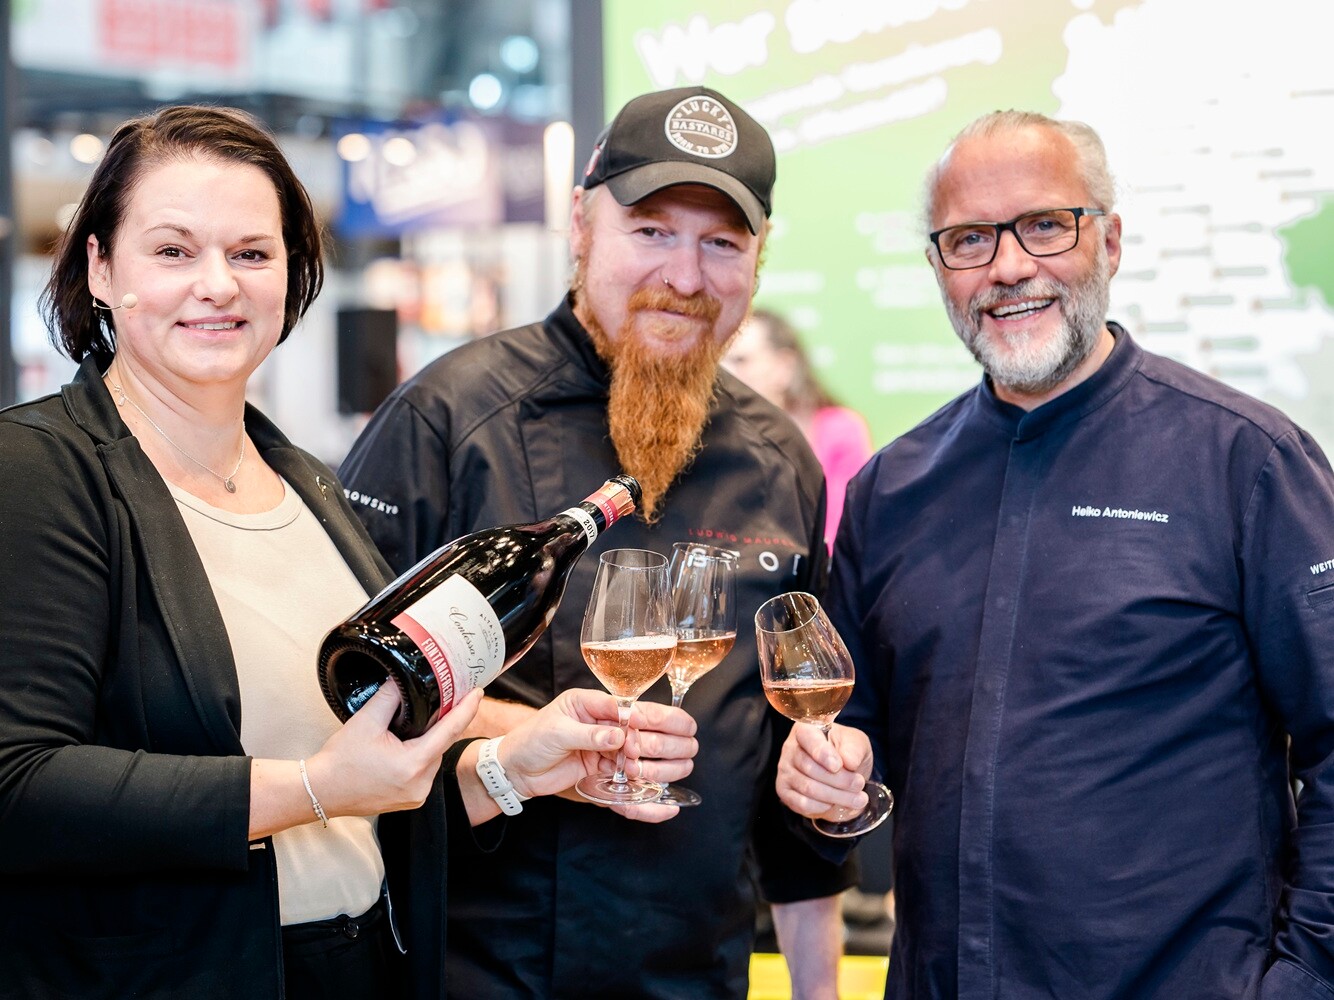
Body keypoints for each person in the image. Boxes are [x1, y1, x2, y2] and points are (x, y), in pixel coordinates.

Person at [0, 105, 696, 1000]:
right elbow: (19, 785)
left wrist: (506, 770)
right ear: (100, 267)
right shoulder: (39, 471)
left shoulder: (307, 485)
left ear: (290, 276)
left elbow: (360, 798)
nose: (217, 284)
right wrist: (315, 788)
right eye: (173, 251)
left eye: (252, 253)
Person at [776, 109, 1334, 1000]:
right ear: (938, 269)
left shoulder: (1246, 463)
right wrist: (827, 770)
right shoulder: (891, 491)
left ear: (1109, 241)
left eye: (1044, 225)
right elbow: (855, 735)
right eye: (968, 240)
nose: (1007, 267)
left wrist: (1305, 980)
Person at [340, 86, 857, 999]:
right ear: (583, 225)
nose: (686, 277)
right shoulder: (449, 421)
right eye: (652, 231)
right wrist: (527, 743)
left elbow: (792, 803)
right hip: (472, 978)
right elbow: (345, 707)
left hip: (699, 977)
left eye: (722, 244)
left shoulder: (782, 460)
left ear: (757, 261)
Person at [723, 309, 873, 549]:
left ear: (784, 366)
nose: (726, 374)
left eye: (741, 360)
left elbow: (840, 534)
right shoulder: (716, 432)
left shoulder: (839, 430)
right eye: (720, 361)